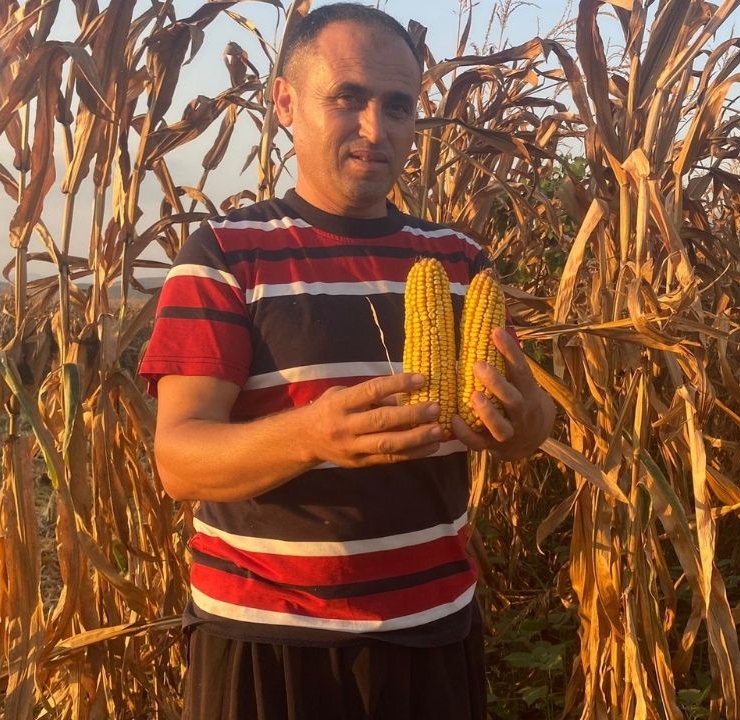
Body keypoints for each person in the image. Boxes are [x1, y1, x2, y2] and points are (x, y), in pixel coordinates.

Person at [136, 4, 556, 718]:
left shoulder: (458, 260)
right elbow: (179, 459)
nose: (376, 128)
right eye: (348, 99)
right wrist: (310, 436)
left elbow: (528, 425)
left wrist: (517, 423)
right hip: (269, 641)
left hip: (433, 630)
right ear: (287, 104)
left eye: (397, 106)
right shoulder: (224, 256)